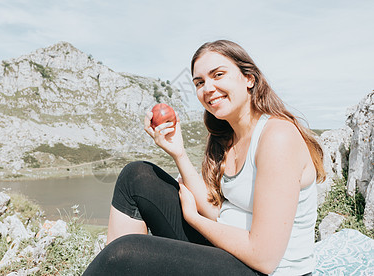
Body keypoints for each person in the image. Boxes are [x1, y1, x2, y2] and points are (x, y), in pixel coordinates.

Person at [83, 40, 325, 275]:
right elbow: (220, 210)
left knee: (125, 254)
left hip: (265, 269)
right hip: (232, 255)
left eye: (218, 75)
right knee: (136, 176)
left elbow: (264, 257)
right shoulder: (228, 138)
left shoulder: (277, 136)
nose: (207, 88)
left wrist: (194, 219)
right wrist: (178, 152)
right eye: (199, 82)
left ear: (249, 78)